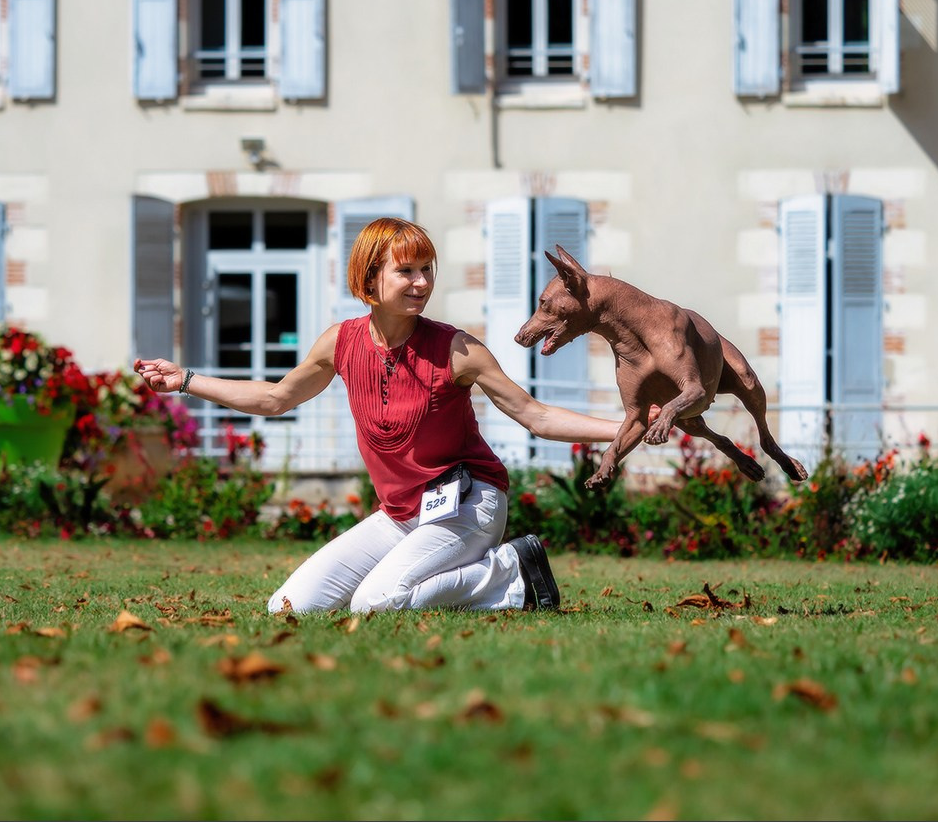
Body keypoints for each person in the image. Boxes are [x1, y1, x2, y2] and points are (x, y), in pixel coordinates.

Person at [135, 217, 628, 615]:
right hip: (399, 515)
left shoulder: (457, 349)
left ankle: (512, 574)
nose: (422, 282)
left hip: (469, 505)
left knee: (376, 601)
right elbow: (275, 398)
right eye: (407, 271)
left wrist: (626, 428)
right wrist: (184, 379)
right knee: (286, 607)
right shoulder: (340, 342)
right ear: (370, 277)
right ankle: (488, 579)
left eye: (428, 269)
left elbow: (535, 415)